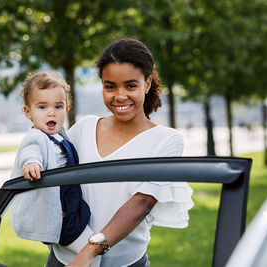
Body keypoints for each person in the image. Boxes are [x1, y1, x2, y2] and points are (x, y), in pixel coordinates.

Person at [49, 38, 194, 267]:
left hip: (123, 264)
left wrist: (89, 252)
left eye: (130, 86)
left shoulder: (167, 141)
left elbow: (142, 203)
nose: (119, 96)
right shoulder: (83, 128)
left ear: (146, 85)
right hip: (65, 261)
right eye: (110, 86)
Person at [8, 71, 100, 267]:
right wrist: (32, 164)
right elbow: (30, 151)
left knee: (79, 250)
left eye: (58, 106)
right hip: (61, 216)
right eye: (42, 107)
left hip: (70, 207)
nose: (51, 112)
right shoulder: (36, 137)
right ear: (28, 112)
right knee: (93, 250)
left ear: (66, 108)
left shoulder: (60, 136)